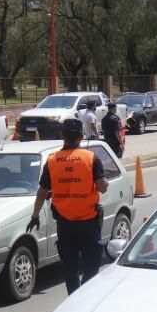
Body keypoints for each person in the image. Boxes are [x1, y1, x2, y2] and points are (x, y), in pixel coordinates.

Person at [27, 122, 109, 294]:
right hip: (89, 224)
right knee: (91, 267)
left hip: (65, 225)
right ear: (81, 136)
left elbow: (42, 191)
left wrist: (35, 216)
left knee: (70, 269)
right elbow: (102, 187)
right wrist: (104, 180)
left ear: (62, 136)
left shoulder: (52, 160)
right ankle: (84, 298)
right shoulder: (91, 158)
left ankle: (74, 299)